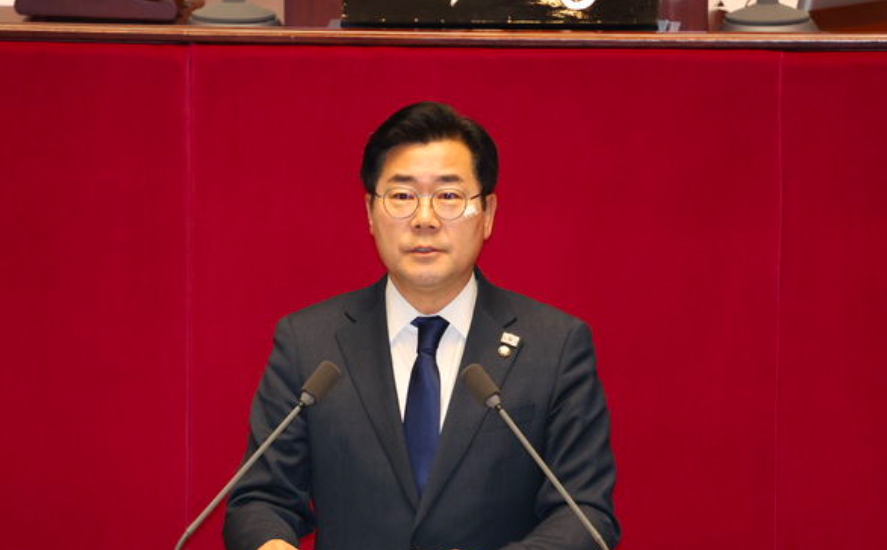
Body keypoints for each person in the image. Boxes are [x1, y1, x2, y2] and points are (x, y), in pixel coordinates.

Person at [223, 101, 619, 550]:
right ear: (370, 212)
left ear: (488, 213)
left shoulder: (555, 345)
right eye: (402, 196)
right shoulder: (308, 343)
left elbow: (583, 511)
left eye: (449, 196)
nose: (424, 219)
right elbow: (260, 500)